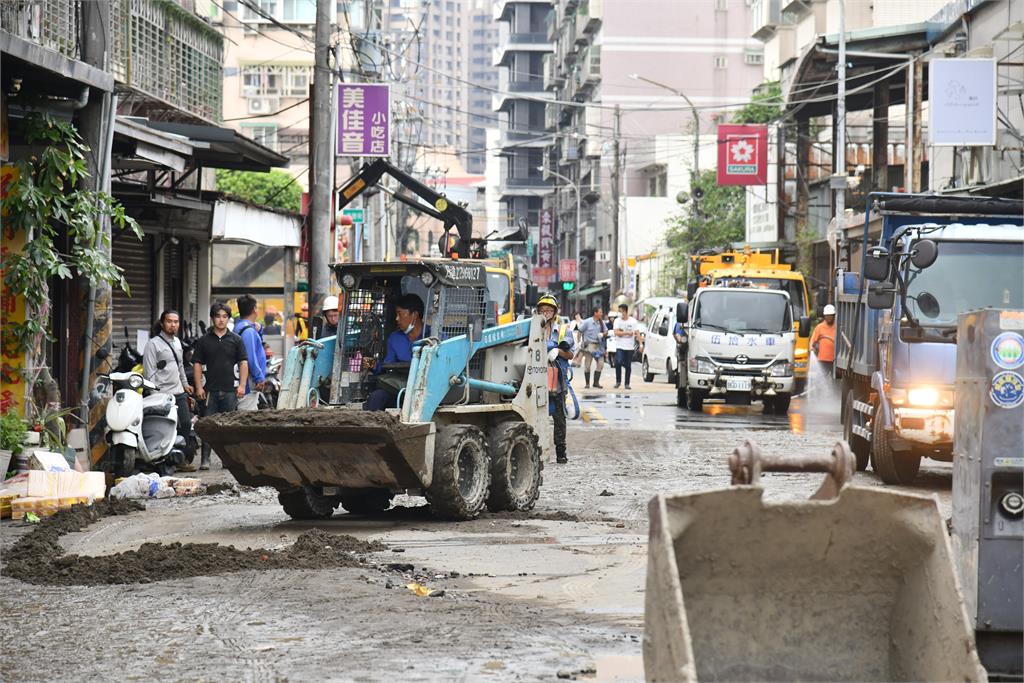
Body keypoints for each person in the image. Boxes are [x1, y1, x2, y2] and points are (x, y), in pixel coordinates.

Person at [192, 302, 248, 470]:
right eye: (218, 316)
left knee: (229, 427)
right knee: (208, 426)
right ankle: (205, 460)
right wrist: (199, 387)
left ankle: (227, 460)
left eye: (224, 317)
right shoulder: (203, 341)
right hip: (210, 390)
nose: (221, 320)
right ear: (212, 318)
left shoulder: (236, 340)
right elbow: (197, 364)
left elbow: (243, 362)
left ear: (228, 319)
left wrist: (242, 385)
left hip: (231, 390)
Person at [142, 310, 194, 471]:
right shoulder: (153, 344)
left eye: (176, 322)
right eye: (169, 321)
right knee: (165, 428)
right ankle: (165, 460)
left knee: (185, 424)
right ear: (162, 323)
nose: (173, 325)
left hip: (178, 391)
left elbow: (180, 366)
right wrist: (154, 396)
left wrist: (185, 384)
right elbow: (149, 372)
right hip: (162, 395)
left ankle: (181, 459)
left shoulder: (177, 342)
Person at [363, 294, 426, 411]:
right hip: (401, 386)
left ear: (414, 315)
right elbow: (387, 365)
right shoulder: (394, 338)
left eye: (400, 314)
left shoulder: (434, 335)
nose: (397, 318)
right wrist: (373, 365)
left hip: (427, 387)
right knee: (376, 397)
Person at [538, 294, 575, 464]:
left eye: (549, 309)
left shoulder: (563, 330)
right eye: (543, 309)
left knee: (559, 418)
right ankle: (537, 451)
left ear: (555, 311)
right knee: (538, 416)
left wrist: (558, 352)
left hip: (558, 381)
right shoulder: (532, 328)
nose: (546, 312)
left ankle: (561, 452)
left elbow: (570, 353)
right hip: (536, 380)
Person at [233, 294, 266, 412]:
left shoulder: (239, 327)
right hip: (248, 381)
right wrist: (259, 377)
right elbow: (250, 357)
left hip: (242, 379)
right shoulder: (248, 331)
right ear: (254, 310)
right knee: (247, 414)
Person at [577, 307, 608, 389]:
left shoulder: (602, 322)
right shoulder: (587, 322)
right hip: (589, 346)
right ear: (595, 313)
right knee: (587, 365)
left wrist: (603, 334)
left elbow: (606, 331)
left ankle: (596, 382)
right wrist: (579, 342)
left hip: (599, 346)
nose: (601, 314)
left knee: (601, 364)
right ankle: (587, 383)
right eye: (600, 312)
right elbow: (580, 331)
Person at [613, 303, 641, 390]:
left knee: (628, 365)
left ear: (625, 311)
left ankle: (627, 383)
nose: (620, 313)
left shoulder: (633, 321)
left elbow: (637, 332)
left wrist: (641, 343)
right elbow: (616, 332)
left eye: (621, 311)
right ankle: (618, 381)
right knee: (618, 362)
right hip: (620, 345)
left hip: (629, 346)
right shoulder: (617, 321)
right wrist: (627, 333)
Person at [810, 303, 837, 377]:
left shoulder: (837, 327)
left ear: (834, 316)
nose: (829, 317)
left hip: (834, 361)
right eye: (827, 316)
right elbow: (813, 340)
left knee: (835, 382)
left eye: (830, 315)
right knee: (821, 380)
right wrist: (812, 348)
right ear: (824, 316)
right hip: (822, 361)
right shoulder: (819, 327)